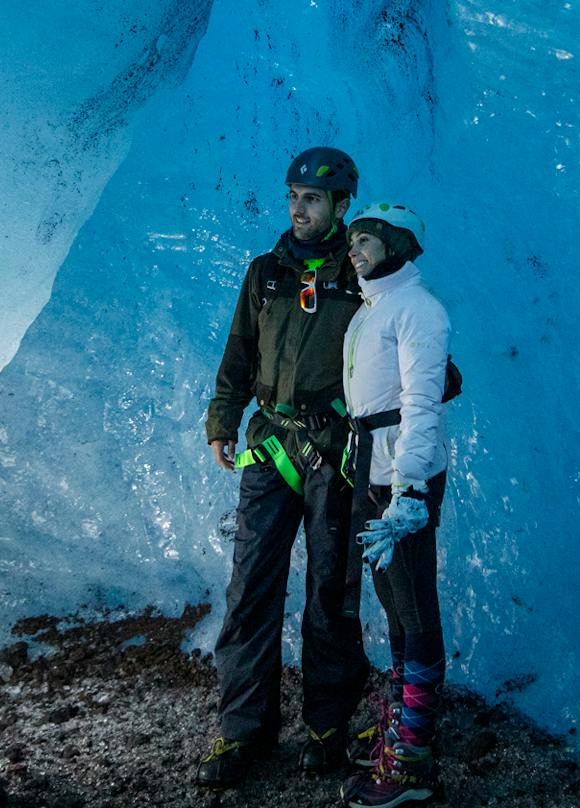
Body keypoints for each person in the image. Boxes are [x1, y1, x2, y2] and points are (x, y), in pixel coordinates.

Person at [194, 146, 372, 789]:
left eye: (314, 199)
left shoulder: (363, 277)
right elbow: (238, 350)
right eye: (294, 197)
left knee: (331, 590)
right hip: (271, 446)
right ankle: (243, 730)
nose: (299, 209)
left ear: (342, 206)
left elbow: (400, 342)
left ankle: (327, 724)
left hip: (335, 450)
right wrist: (223, 420)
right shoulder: (265, 273)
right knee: (250, 590)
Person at [337, 202, 451, 807]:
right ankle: (403, 724)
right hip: (373, 469)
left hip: (400, 478)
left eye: (367, 239)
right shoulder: (373, 307)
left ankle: (412, 760)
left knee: (414, 607)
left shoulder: (418, 310)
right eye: (353, 239)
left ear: (398, 243)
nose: (354, 248)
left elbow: (421, 403)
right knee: (394, 605)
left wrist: (409, 490)